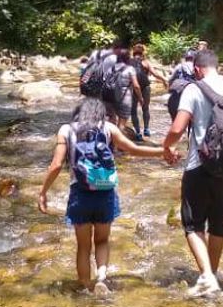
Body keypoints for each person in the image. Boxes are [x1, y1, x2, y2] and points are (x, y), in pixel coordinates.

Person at [38, 98, 173, 292]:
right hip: (105, 192)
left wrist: (43, 192)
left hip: (80, 195)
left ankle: (85, 287)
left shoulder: (66, 130)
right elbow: (133, 149)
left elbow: (57, 165)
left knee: (83, 247)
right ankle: (101, 277)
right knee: (102, 240)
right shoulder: (108, 128)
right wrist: (163, 152)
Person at [162, 49, 223, 297]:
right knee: (219, 225)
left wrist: (167, 146)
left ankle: (207, 277)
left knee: (192, 224)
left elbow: (178, 127)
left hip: (199, 165)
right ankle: (211, 276)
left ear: (197, 69)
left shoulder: (194, 89)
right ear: (217, 66)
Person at [131, 42, 168, 142]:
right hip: (146, 87)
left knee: (133, 110)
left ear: (133, 52)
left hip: (133, 88)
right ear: (143, 53)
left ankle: (138, 132)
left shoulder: (129, 62)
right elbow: (155, 74)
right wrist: (164, 80)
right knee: (145, 108)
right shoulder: (146, 62)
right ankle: (146, 129)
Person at [101, 46, 142, 129]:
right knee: (122, 122)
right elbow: (136, 86)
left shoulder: (111, 68)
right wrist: (140, 98)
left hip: (109, 96)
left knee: (111, 119)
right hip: (124, 98)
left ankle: (110, 139)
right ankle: (118, 139)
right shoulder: (130, 69)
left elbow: (104, 80)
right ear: (128, 58)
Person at [166, 48, 197, 120]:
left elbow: (170, 80)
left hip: (177, 94)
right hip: (191, 94)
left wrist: (169, 90)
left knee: (175, 120)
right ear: (194, 58)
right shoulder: (197, 68)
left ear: (186, 58)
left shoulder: (179, 66)